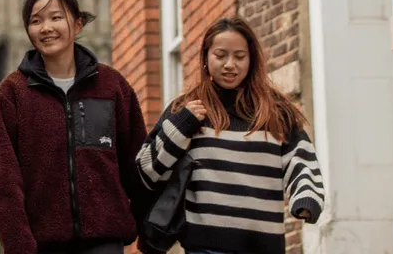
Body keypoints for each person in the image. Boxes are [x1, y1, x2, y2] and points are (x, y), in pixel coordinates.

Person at [134, 17, 325, 254]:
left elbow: (302, 160)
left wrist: (306, 199)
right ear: (205, 58)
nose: (230, 64)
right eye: (220, 55)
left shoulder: (275, 113)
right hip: (204, 247)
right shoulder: (186, 108)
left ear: (251, 59)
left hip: (264, 246)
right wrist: (181, 126)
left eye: (239, 56)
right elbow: (145, 171)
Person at [0, 0, 149, 254]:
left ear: (78, 23)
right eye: (35, 21)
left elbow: (137, 162)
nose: (46, 28)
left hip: (105, 241)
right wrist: (19, 246)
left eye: (55, 17)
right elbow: (3, 181)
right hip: (42, 245)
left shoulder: (112, 86)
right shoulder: (11, 94)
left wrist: (148, 230)